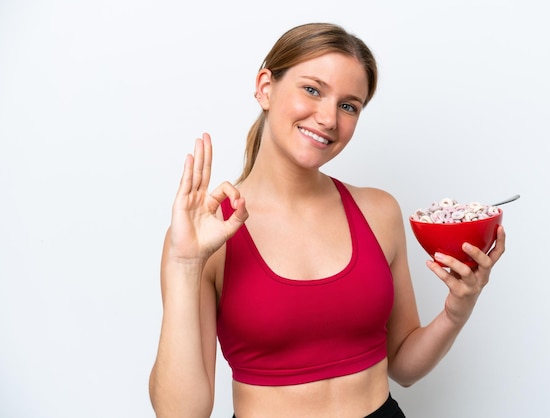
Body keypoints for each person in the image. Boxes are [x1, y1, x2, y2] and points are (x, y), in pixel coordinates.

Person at [148, 22, 506, 418]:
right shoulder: (210, 233)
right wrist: (184, 264)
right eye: (313, 90)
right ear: (265, 87)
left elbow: (403, 366)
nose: (329, 118)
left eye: (348, 105)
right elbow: (182, 414)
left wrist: (457, 310)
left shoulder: (379, 212)